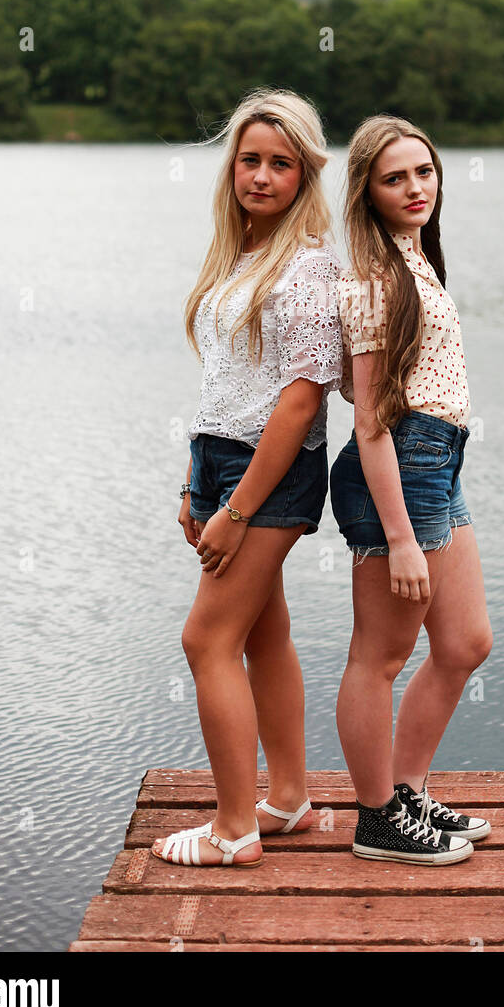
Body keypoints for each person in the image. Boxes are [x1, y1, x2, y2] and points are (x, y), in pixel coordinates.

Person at [152, 89, 343, 868]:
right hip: (223, 461)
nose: (261, 176)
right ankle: (287, 800)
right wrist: (196, 487)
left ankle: (234, 830)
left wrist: (235, 507)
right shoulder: (243, 255)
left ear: (305, 173)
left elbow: (298, 405)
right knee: (265, 633)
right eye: (250, 159)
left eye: (280, 163)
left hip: (272, 471)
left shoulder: (307, 269)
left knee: (206, 639)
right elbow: (227, 384)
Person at [330, 114, 494, 864]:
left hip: (438, 461)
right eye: (394, 177)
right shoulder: (369, 278)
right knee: (380, 656)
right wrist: (398, 536)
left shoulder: (415, 256)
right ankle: (375, 820)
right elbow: (367, 422)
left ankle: (406, 791)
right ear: (366, 189)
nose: (413, 187)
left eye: (423, 171)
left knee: (463, 643)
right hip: (398, 467)